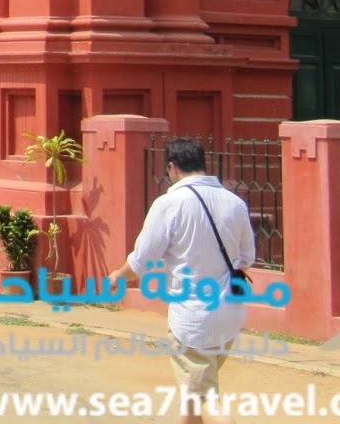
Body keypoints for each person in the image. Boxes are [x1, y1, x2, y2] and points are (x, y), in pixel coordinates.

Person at [107, 138, 256, 424]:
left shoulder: (169, 204)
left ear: (172, 168)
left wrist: (118, 276)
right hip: (229, 318)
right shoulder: (235, 203)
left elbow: (142, 260)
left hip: (192, 320)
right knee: (192, 394)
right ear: (203, 163)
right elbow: (247, 257)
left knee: (205, 398)